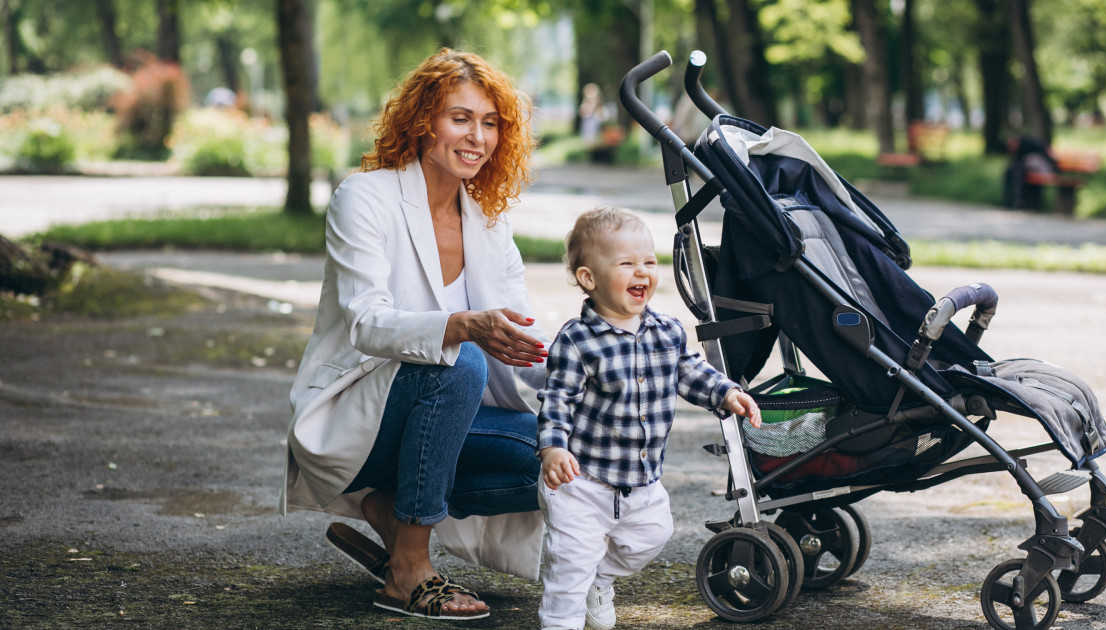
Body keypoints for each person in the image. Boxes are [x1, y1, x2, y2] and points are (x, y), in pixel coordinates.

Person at [280, 48, 549, 620]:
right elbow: (365, 320)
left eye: (491, 123)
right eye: (460, 118)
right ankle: (409, 569)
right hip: (356, 418)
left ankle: (390, 511)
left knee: (551, 447)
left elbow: (523, 341)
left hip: (441, 416)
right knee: (462, 361)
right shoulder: (365, 197)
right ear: (423, 119)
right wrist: (458, 326)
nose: (477, 136)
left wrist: (596, 363)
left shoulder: (489, 222)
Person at [535, 207, 762, 630]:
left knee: (651, 537)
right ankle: (564, 614)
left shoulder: (667, 331)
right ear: (589, 279)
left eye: (648, 261)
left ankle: (599, 580)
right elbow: (558, 398)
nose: (642, 271)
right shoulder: (576, 340)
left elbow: (691, 372)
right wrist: (553, 447)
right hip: (581, 482)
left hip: (642, 480)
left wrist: (727, 392)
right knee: (568, 569)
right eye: (626, 263)